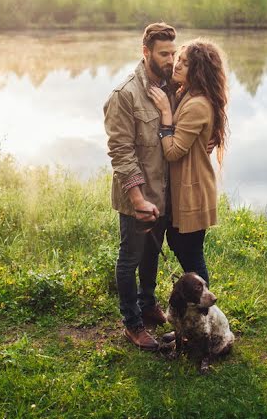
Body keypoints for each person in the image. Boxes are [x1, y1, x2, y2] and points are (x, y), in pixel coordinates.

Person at [103, 22, 177, 351]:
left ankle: (148, 304)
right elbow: (121, 153)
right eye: (164, 53)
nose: (171, 59)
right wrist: (137, 198)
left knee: (151, 257)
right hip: (137, 199)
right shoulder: (125, 95)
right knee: (130, 258)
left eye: (174, 53)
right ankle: (132, 324)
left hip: (162, 195)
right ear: (145, 52)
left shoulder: (171, 87)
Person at [149, 38, 228, 287]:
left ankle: (205, 311)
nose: (176, 65)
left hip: (193, 191)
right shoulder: (188, 93)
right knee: (178, 243)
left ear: (199, 70)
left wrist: (165, 116)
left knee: (191, 255)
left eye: (185, 63)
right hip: (187, 188)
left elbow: (172, 152)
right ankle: (195, 306)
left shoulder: (196, 104)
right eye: (178, 60)